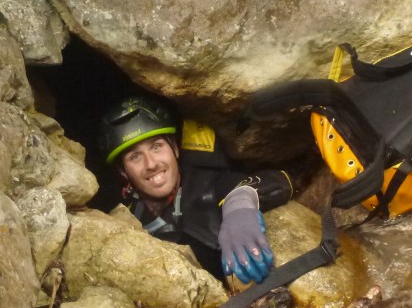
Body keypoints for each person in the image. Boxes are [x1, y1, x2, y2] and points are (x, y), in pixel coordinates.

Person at [98, 95, 294, 285]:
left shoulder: (206, 184)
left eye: (156, 147)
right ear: (124, 172)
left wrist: (239, 203)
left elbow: (281, 180)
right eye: (135, 157)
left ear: (174, 148)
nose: (151, 164)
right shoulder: (124, 217)